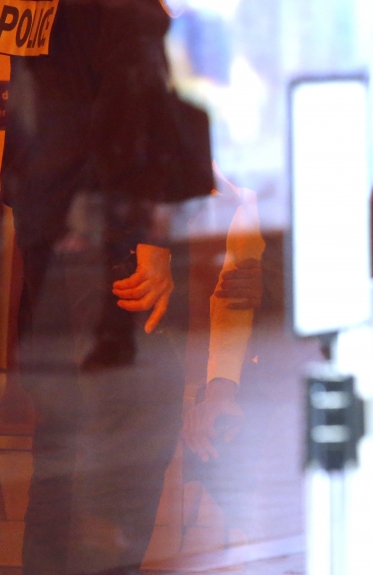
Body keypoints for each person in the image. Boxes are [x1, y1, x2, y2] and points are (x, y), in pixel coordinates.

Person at [2, 2, 213, 573]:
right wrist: (152, 238)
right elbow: (141, 113)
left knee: (65, 446)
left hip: (54, 243)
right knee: (125, 447)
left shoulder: (60, 6)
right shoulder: (125, 7)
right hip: (110, 250)